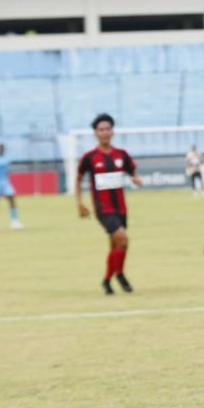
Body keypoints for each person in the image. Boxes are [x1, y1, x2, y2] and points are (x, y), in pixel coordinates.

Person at [76, 114, 143, 295]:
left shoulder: (121, 155)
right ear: (95, 133)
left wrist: (136, 179)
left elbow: (132, 171)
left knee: (115, 246)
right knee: (124, 240)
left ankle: (107, 280)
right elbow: (78, 178)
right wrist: (80, 203)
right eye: (101, 129)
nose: (105, 132)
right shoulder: (89, 157)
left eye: (107, 129)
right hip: (103, 209)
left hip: (120, 207)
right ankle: (120, 274)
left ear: (112, 131)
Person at [0, 143, 23, 232]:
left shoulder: (6, 159)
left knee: (11, 199)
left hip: (5, 182)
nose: (1, 150)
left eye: (2, 149)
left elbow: (7, 171)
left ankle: (14, 221)